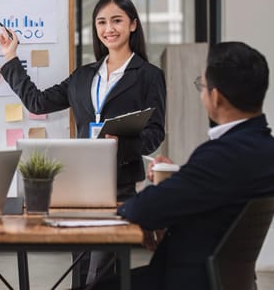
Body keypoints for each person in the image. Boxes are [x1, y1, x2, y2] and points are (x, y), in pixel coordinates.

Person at [0, 0, 166, 284]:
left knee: (98, 272)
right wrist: (11, 58)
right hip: (79, 185)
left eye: (117, 20)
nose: (108, 28)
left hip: (119, 185)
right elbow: (37, 102)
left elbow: (155, 133)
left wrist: (121, 146)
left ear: (133, 25)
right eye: (101, 22)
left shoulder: (149, 75)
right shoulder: (83, 76)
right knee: (81, 265)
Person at [85, 41, 274, 290]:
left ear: (216, 97)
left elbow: (141, 210)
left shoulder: (222, 154)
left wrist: (170, 190)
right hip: (219, 278)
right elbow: (214, 192)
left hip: (185, 279)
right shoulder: (263, 148)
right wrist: (180, 179)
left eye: (202, 86)